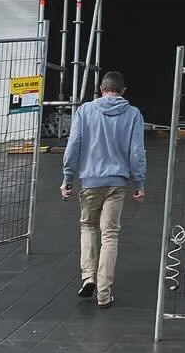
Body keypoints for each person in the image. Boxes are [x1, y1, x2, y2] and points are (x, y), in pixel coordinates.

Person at [60, 71, 146, 308]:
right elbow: (137, 153)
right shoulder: (133, 114)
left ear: (100, 89)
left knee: (87, 226)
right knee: (110, 235)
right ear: (123, 91)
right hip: (117, 183)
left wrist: (68, 178)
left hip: (90, 182)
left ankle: (88, 277)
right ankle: (104, 294)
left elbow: (73, 146)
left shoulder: (85, 111)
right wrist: (138, 184)